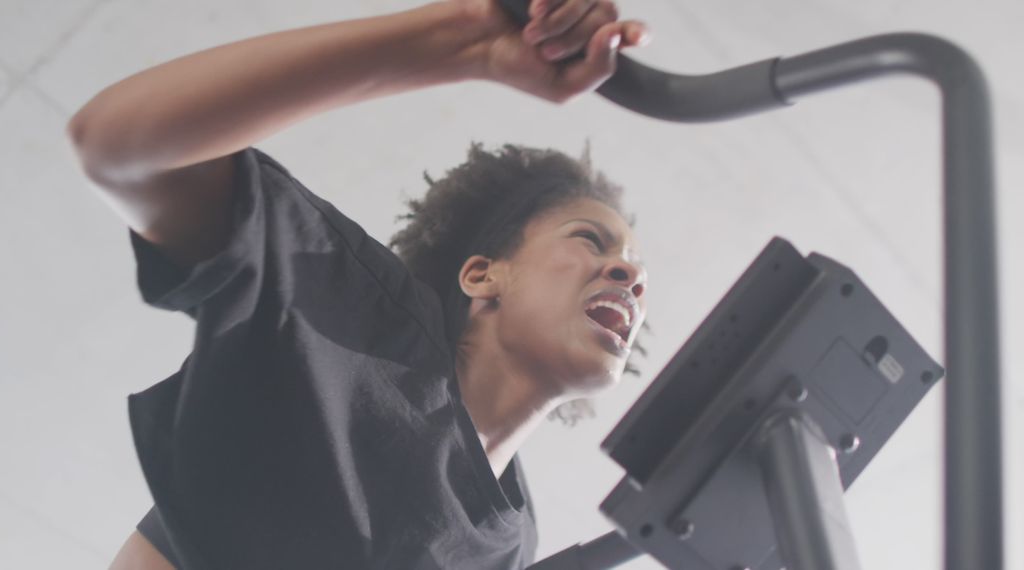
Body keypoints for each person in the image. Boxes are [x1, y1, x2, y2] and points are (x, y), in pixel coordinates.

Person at [66, 0, 652, 568]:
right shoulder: (349, 319)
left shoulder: (513, 546)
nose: (629, 275)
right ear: (483, 275)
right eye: (589, 240)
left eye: (636, 271)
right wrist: (464, 38)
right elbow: (119, 145)